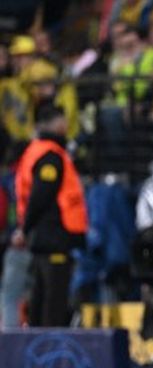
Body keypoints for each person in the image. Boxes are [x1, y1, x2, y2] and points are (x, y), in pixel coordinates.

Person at [14, 103, 87, 327]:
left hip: (43, 239)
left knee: (40, 300)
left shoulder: (37, 151)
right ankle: (50, 353)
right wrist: (24, 229)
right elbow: (40, 197)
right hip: (53, 238)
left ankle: (37, 351)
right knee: (52, 305)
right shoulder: (50, 156)